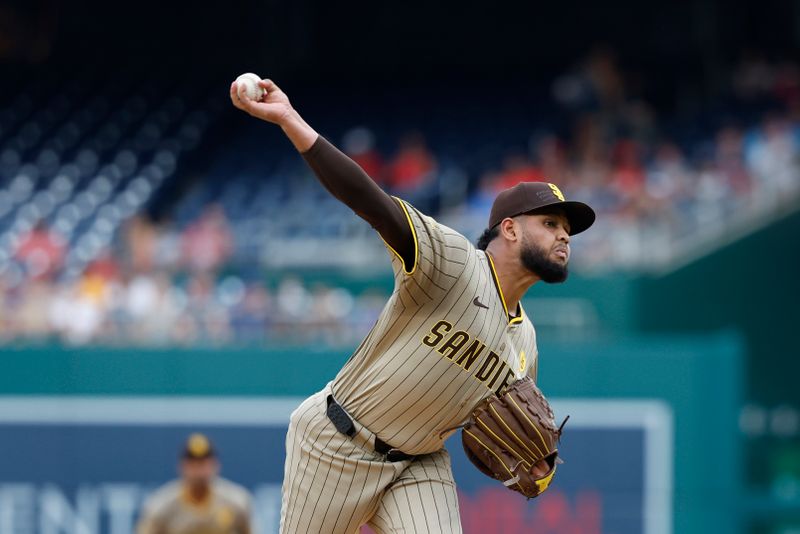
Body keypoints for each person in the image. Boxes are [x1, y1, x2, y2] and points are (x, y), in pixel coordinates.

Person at [230, 77, 596, 534]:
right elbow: (373, 203)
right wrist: (289, 119)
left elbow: (514, 435)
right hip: (336, 442)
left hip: (419, 465)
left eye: (567, 229)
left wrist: (538, 469)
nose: (564, 235)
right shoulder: (454, 263)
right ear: (510, 229)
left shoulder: (525, 340)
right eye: (550, 222)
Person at [137, 433, 252, 534]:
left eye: (203, 464)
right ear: (181, 467)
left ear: (216, 465)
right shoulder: (161, 506)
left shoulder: (236, 502)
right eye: (193, 464)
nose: (199, 471)